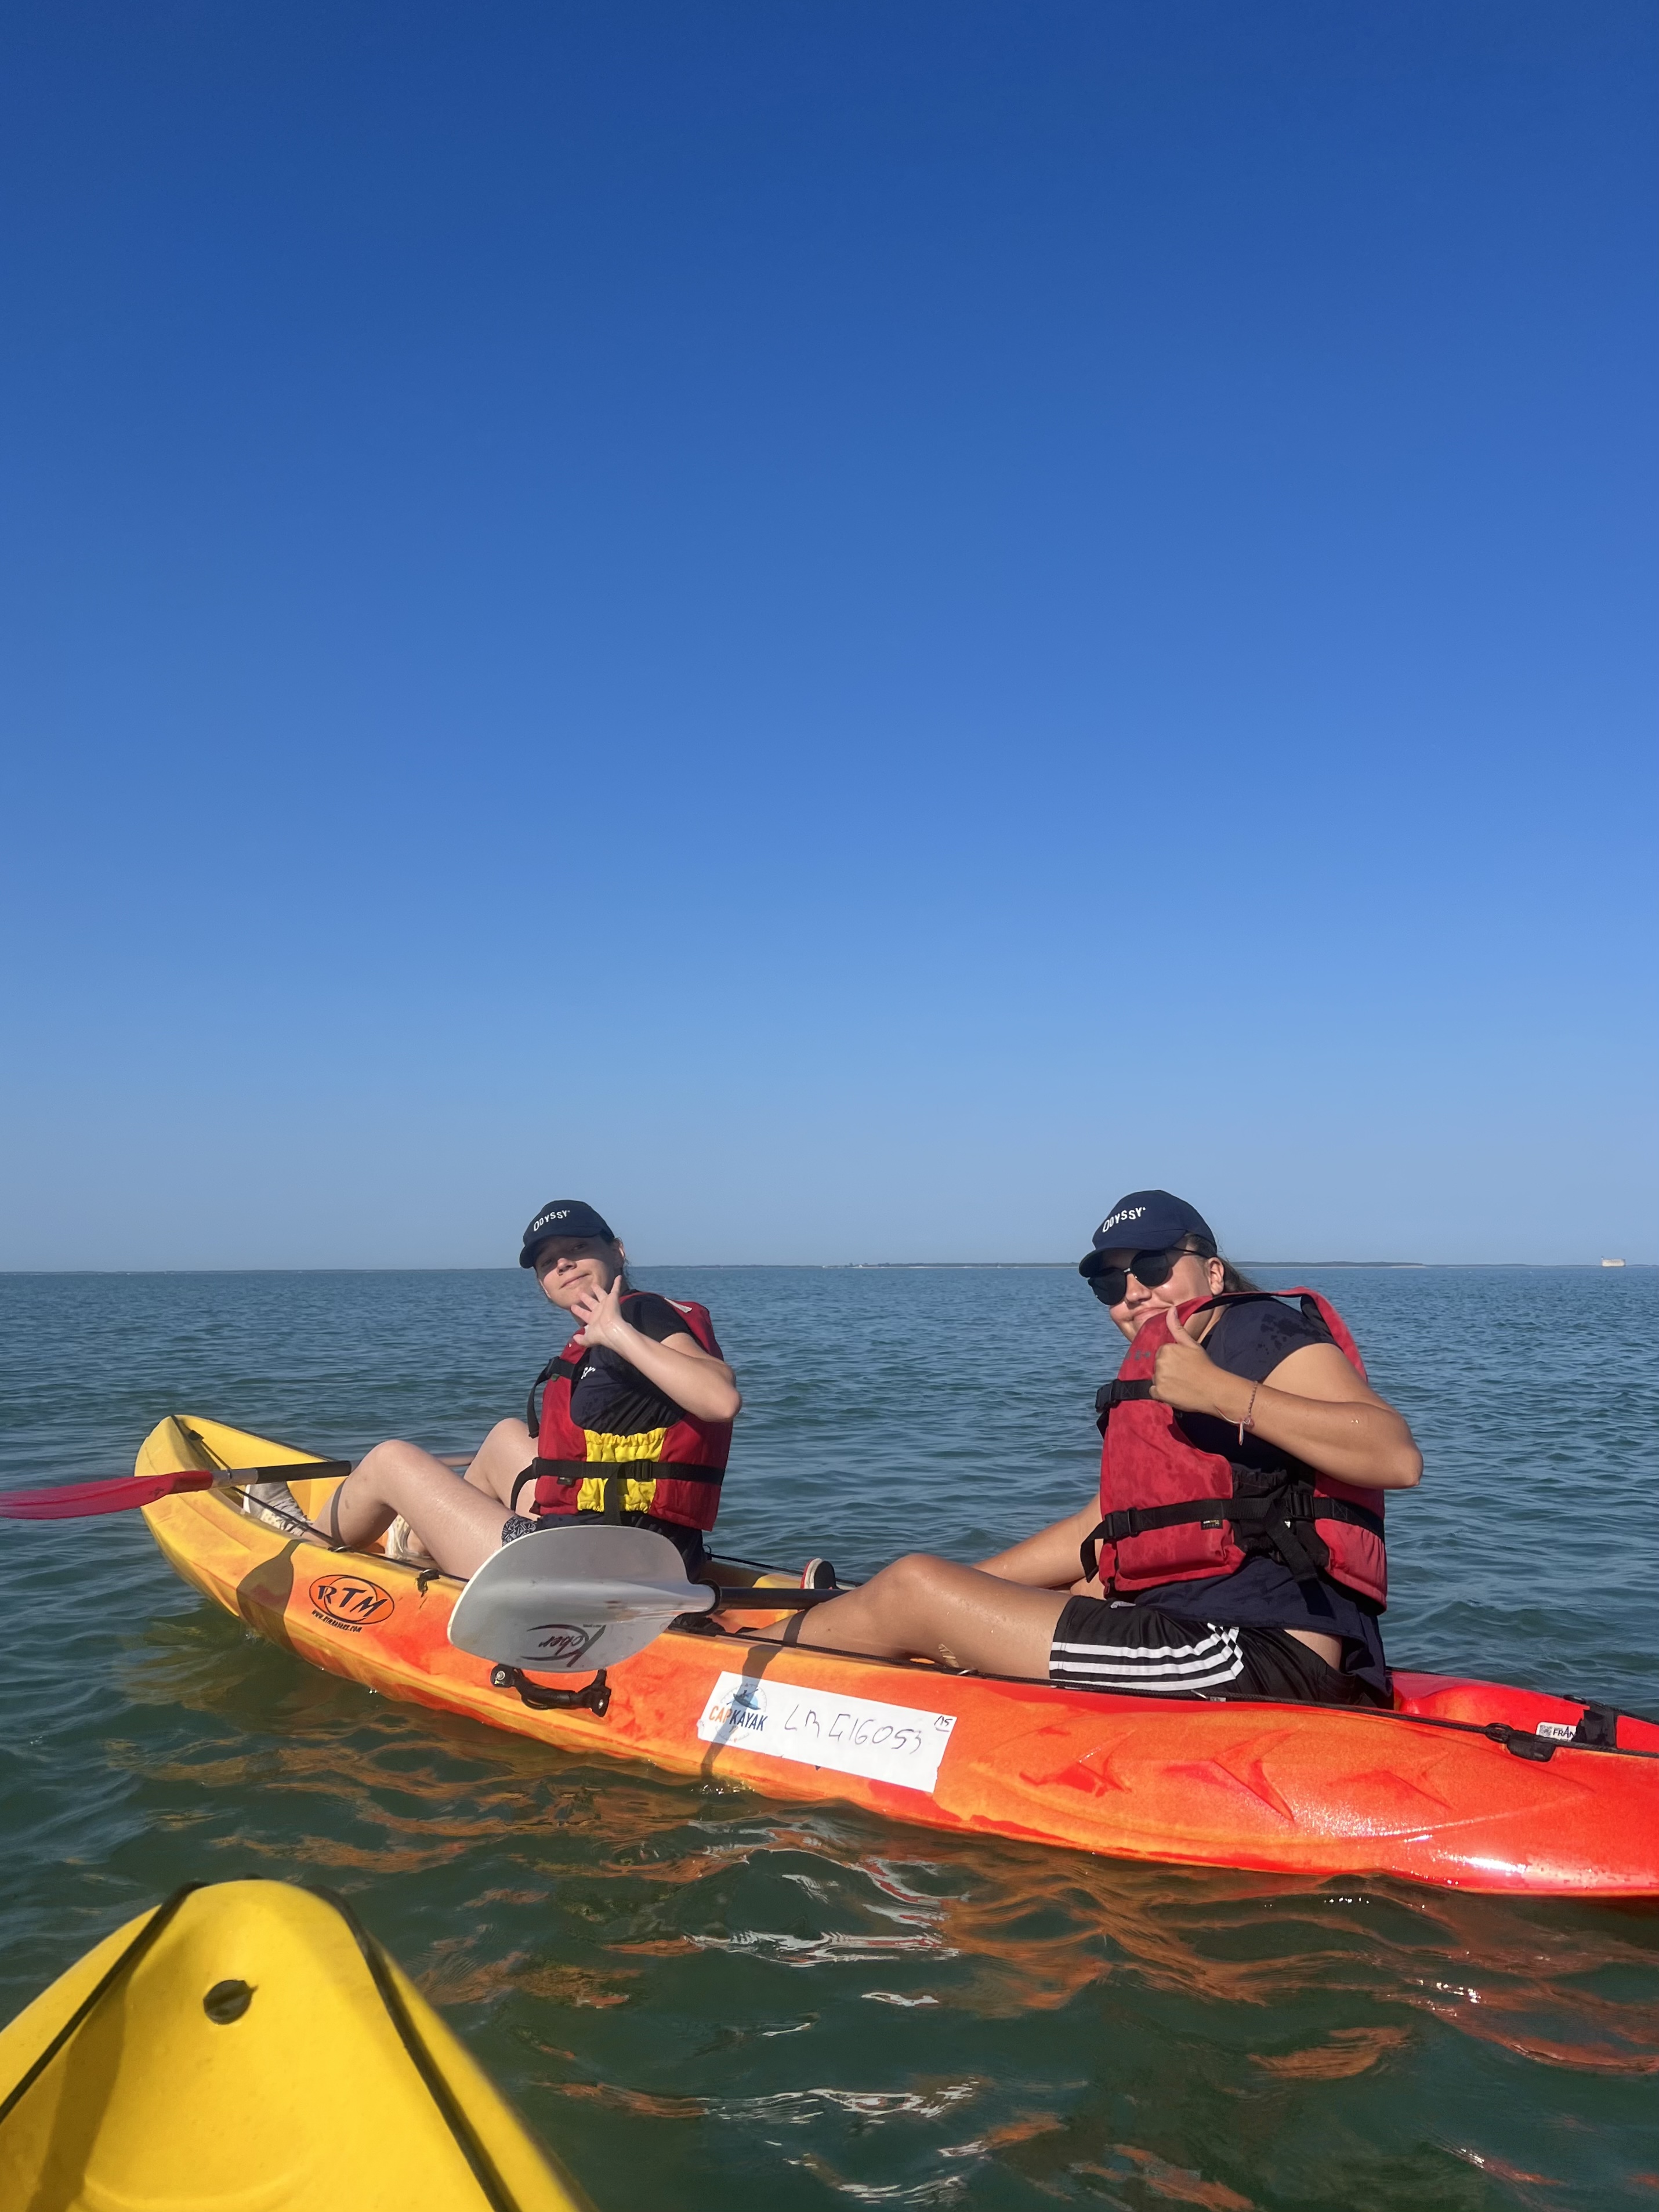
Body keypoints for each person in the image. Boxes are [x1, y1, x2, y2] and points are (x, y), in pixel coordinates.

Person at [756, 1190, 1420, 1707]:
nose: (1132, 1293)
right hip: (1209, 1632)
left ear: (1213, 1272)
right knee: (1033, 1582)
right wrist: (952, 1594)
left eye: (1154, 1267)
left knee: (914, 1587)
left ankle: (720, 1664)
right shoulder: (1173, 1370)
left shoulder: (1257, 1332)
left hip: (1249, 1655)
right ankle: (844, 1626)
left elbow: (1394, 1456)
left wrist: (1222, 1392)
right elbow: (1098, 1528)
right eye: (1110, 1284)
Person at [240, 1200, 741, 1580]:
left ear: (618, 1250)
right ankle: (415, 1543)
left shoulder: (639, 1315)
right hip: (649, 1554)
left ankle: (305, 1541)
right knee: (506, 1437)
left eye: (578, 1249)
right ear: (543, 1284)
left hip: (591, 1571)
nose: (563, 1265)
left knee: (391, 1460)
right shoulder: (610, 1330)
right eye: (548, 1262)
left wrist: (619, 1334)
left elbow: (719, 1398)